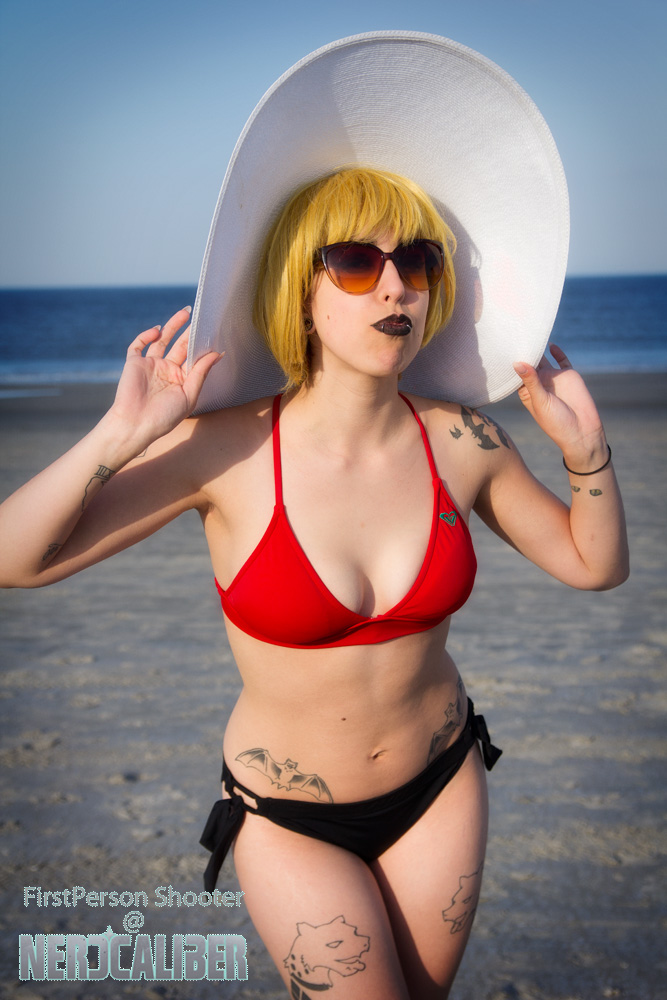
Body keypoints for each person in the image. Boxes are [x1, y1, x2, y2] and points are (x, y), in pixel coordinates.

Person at [0, 165, 628, 999]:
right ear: (300, 290)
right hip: (288, 817)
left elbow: (593, 565)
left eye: (417, 261)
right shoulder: (222, 450)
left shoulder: (463, 441)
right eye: (355, 262)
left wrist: (585, 451)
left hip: (440, 786)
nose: (395, 287)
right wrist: (121, 433)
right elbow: (16, 559)